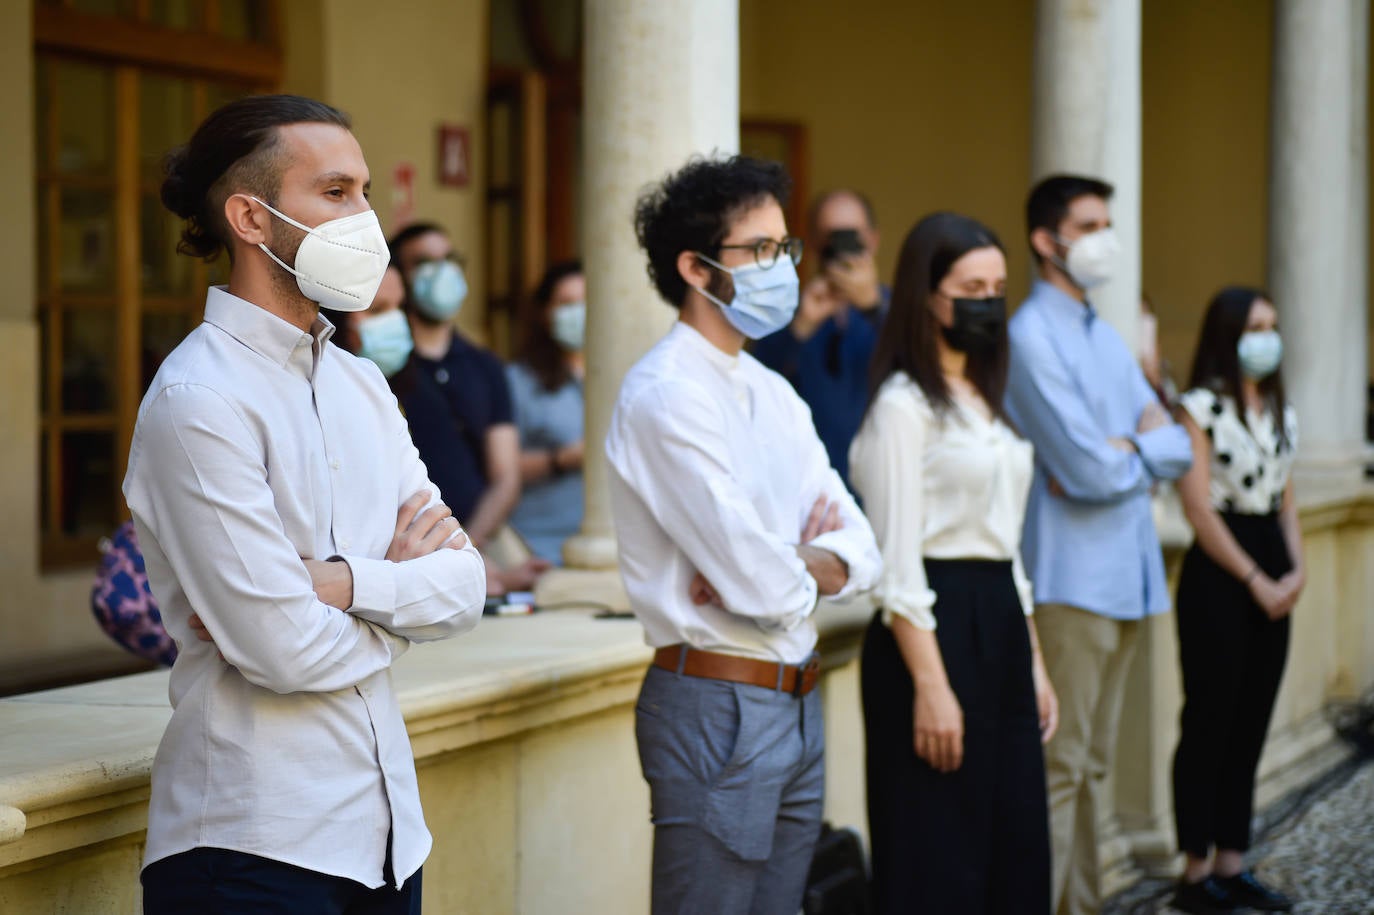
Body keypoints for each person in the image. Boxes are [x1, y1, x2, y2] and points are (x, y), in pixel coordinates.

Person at [125, 94, 486, 913]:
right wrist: (398, 606)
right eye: (335, 192)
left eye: (363, 191)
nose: (366, 218)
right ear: (250, 218)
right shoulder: (197, 398)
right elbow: (281, 649)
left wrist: (339, 584)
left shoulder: (361, 382)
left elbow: (467, 584)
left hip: (391, 835)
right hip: (250, 846)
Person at [606, 155, 881, 915]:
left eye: (784, 249)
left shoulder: (775, 392)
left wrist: (793, 558)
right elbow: (758, 584)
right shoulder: (665, 395)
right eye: (758, 250)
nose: (781, 267)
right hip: (715, 700)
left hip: (797, 692)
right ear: (696, 268)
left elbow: (862, 545)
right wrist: (793, 564)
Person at [850, 212, 1056, 914]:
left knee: (1017, 839)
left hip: (998, 621)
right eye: (972, 286)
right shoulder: (902, 408)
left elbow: (1007, 550)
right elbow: (897, 567)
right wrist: (932, 687)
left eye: (998, 286)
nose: (989, 301)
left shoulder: (986, 402)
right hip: (932, 632)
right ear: (928, 295)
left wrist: (1033, 661)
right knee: (939, 850)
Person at [1004, 174, 1193, 915]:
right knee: (1061, 766)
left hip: (1129, 573)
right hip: (1070, 580)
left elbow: (1177, 440)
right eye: (1089, 224)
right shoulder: (1029, 336)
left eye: (1107, 222)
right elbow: (1085, 469)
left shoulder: (1103, 332)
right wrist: (1133, 449)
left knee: (1092, 766)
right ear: (1046, 240)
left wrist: (1130, 449)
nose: (1104, 238)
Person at [1168, 287, 1302, 915]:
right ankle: (1195, 873)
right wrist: (1255, 579)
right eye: (1255, 326)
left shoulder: (1279, 407)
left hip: (1274, 564)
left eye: (1273, 325)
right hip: (1222, 573)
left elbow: (1286, 498)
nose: (1267, 337)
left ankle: (1233, 862)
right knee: (1210, 723)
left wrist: (1295, 568)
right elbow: (1198, 506)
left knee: (1251, 720)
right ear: (1227, 334)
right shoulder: (1198, 408)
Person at [388, 222, 521, 551]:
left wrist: (466, 545)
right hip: (401, 546)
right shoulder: (383, 360)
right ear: (398, 275)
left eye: (448, 259)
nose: (441, 272)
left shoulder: (485, 366)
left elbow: (505, 477)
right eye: (423, 262)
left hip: (478, 543)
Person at [752, 189, 888, 487]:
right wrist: (799, 328)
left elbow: (919, 368)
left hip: (880, 480)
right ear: (813, 243)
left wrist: (873, 308)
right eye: (830, 237)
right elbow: (756, 388)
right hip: (808, 484)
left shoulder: (896, 311)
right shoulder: (787, 312)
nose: (840, 247)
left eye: (851, 235)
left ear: (873, 240)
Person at [506, 261, 586, 564]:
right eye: (565, 303)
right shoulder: (518, 380)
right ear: (544, 312)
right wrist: (561, 459)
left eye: (585, 302)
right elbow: (499, 468)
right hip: (538, 548)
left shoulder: (622, 375)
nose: (578, 312)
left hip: (614, 546)